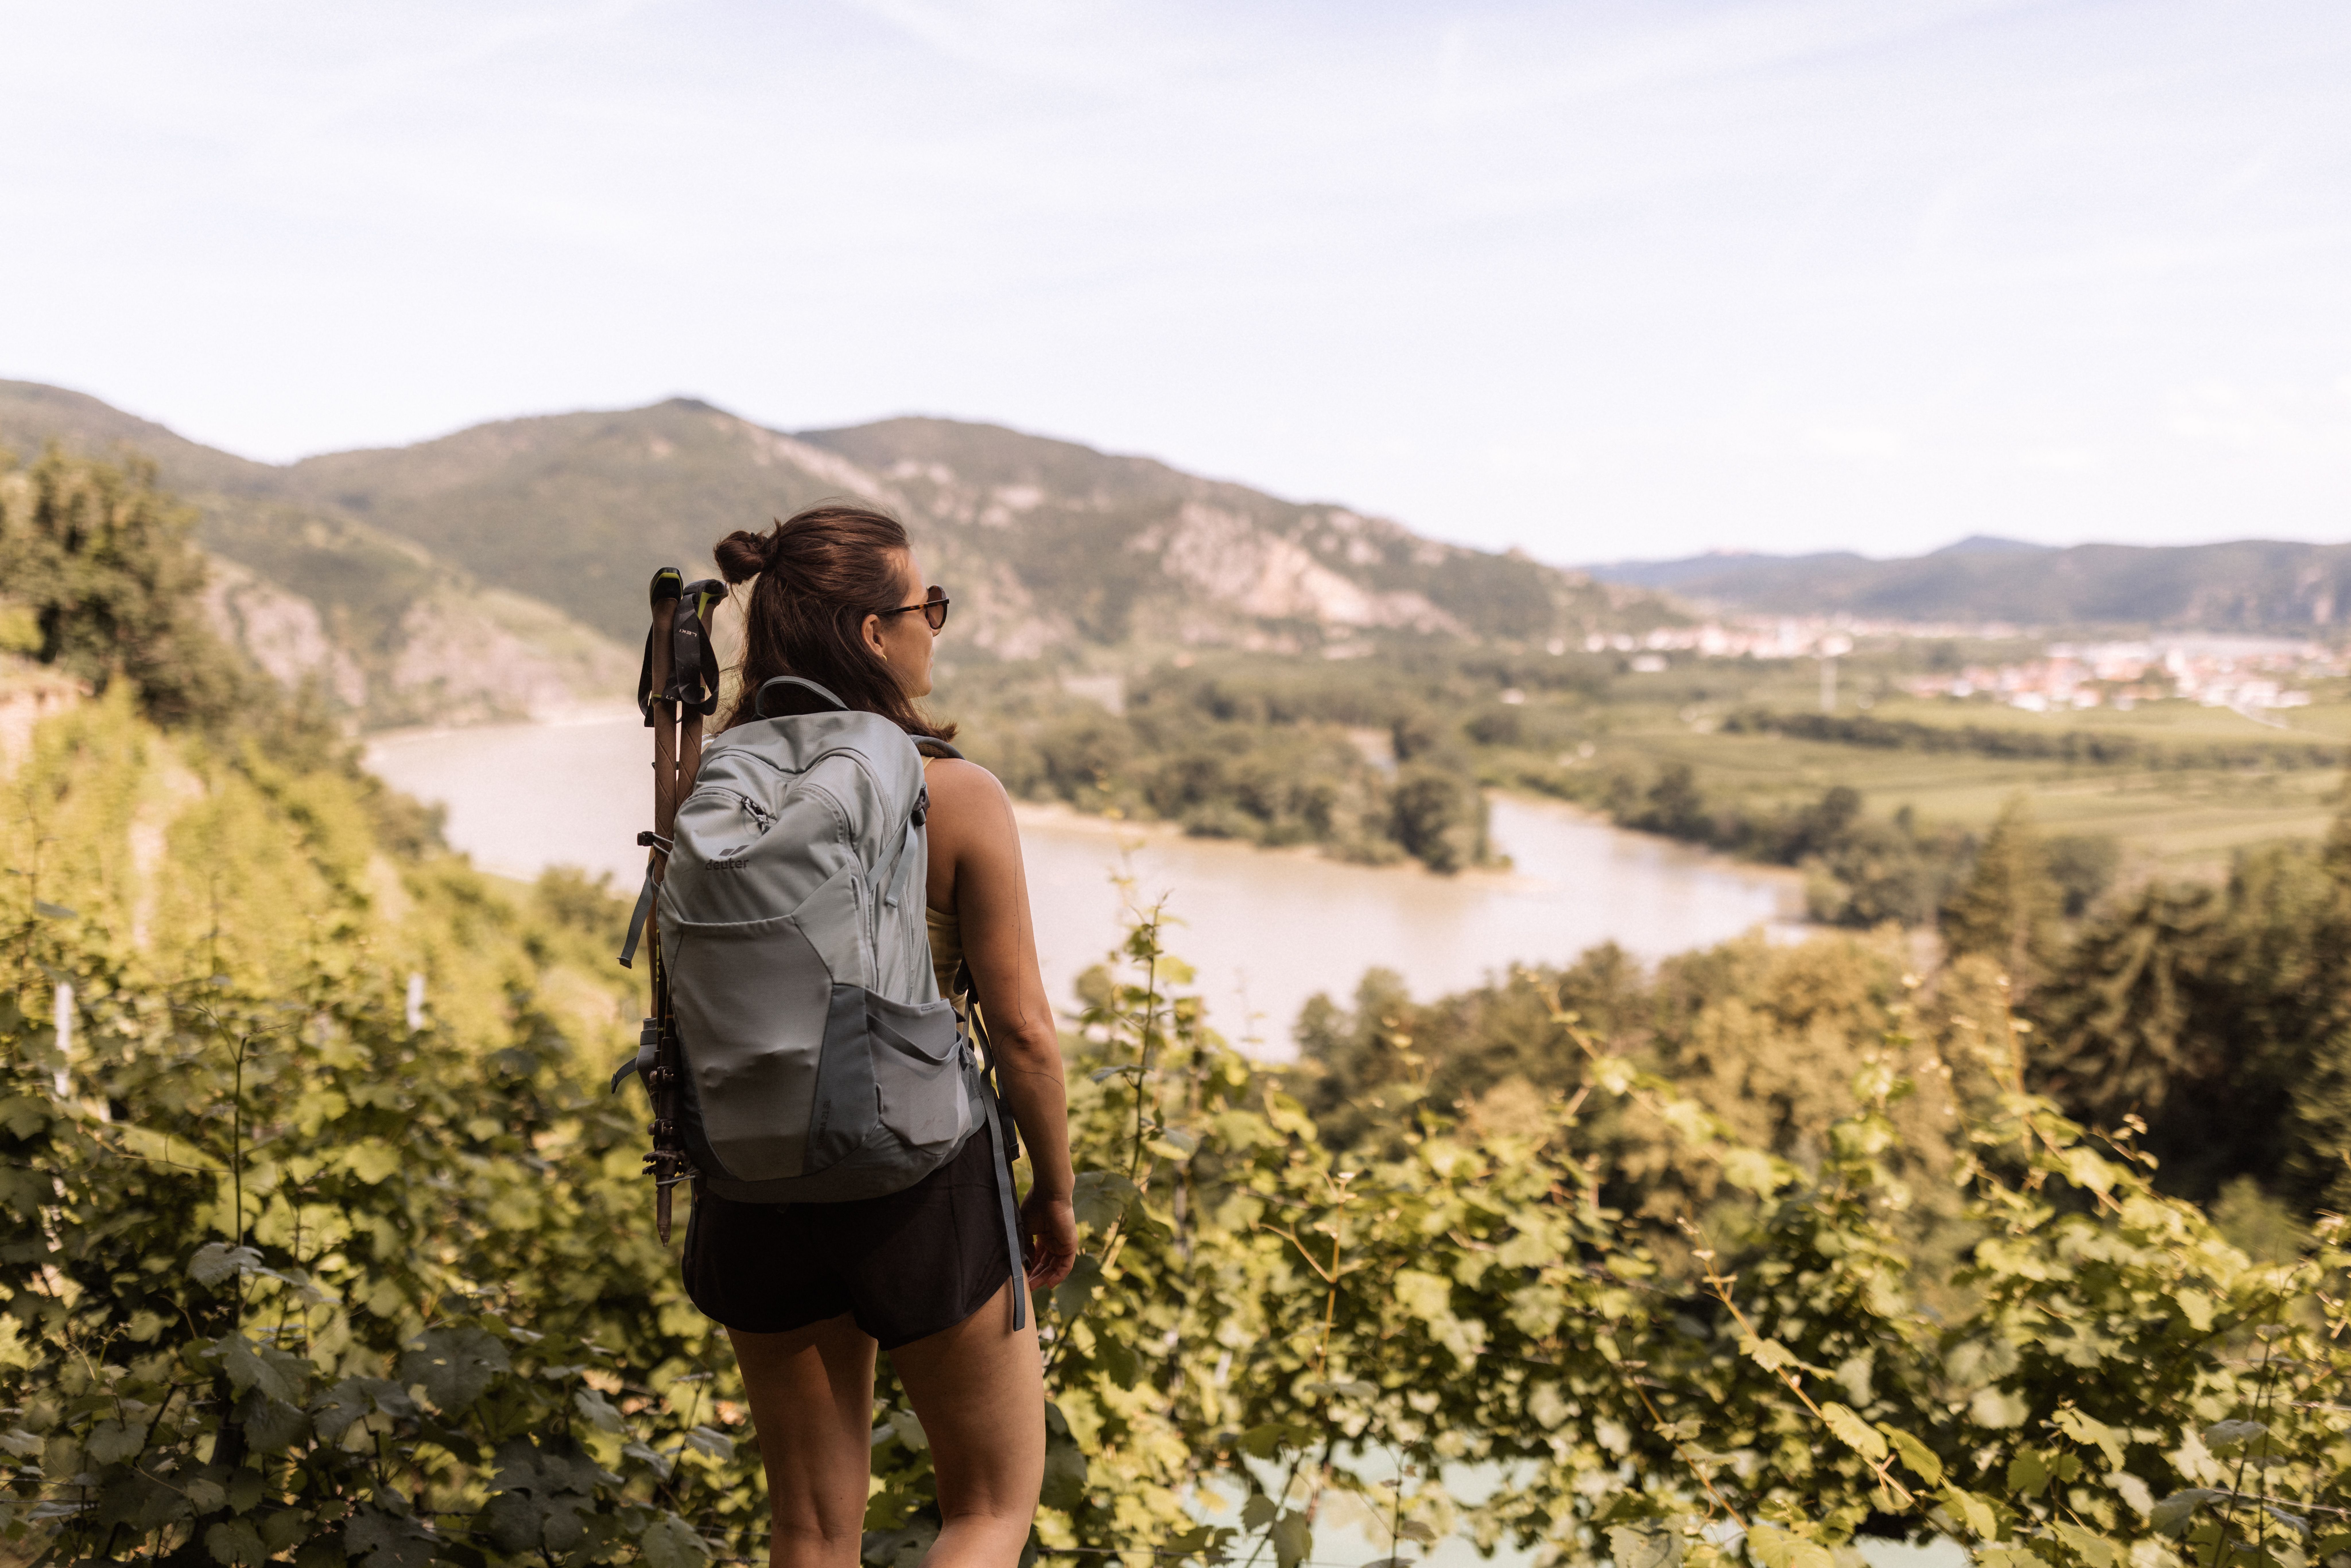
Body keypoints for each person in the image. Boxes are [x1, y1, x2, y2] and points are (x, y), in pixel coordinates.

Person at [682, 503, 1079, 1568]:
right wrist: (1056, 1189)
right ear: (872, 633)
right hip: (922, 1180)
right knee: (989, 1509)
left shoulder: (712, 796)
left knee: (811, 1528)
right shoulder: (955, 795)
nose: (934, 629)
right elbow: (1028, 1033)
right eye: (927, 608)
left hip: (751, 1172)